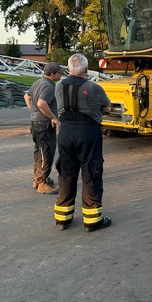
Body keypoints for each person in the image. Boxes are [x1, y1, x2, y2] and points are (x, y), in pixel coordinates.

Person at [53, 53, 112, 232]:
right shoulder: (94, 87)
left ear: (68, 69)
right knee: (91, 172)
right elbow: (107, 107)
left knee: (66, 173)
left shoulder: (58, 85)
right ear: (86, 69)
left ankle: (63, 219)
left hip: (65, 132)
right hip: (88, 132)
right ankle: (92, 220)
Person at [24, 62, 62, 195]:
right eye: (59, 73)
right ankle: (42, 183)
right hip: (44, 126)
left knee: (38, 152)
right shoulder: (49, 87)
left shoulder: (37, 82)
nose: (61, 74)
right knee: (47, 154)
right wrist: (54, 118)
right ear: (52, 74)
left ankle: (37, 178)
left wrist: (33, 112)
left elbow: (27, 97)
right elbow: (41, 103)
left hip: (35, 123)